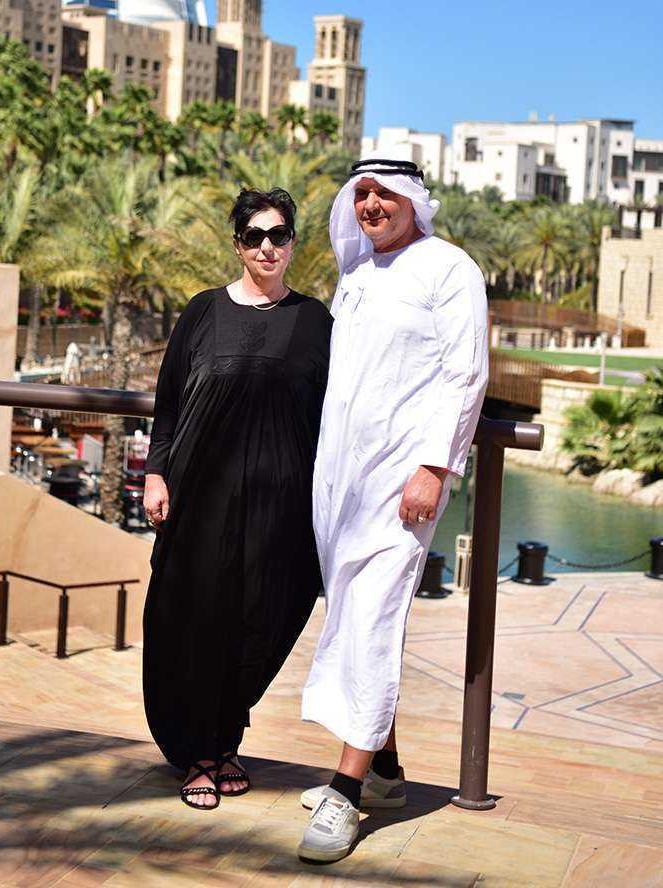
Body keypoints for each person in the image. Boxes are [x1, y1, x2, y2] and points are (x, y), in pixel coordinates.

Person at [297, 155, 489, 862]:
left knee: (374, 613)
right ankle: (383, 772)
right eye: (362, 194)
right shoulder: (356, 274)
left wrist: (433, 467)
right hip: (339, 479)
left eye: (384, 194)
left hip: (401, 482)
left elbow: (465, 374)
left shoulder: (448, 268)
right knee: (352, 611)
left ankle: (343, 796)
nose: (371, 205)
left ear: (413, 199)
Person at [142, 187, 332, 811]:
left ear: (295, 242)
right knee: (196, 620)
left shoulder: (316, 322)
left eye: (279, 235)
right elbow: (168, 403)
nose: (268, 247)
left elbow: (342, 413)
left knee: (267, 616)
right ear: (238, 245)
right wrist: (156, 474)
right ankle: (200, 750)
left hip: (281, 505)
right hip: (202, 495)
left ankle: (226, 735)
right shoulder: (202, 312)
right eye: (255, 237)